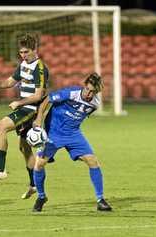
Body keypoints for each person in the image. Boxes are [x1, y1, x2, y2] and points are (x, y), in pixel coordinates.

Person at [0, 33, 49, 199]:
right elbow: (9, 82)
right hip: (24, 107)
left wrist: (19, 103)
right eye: (21, 53)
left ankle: (0, 170)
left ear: (34, 49)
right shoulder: (23, 65)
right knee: (25, 148)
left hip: (31, 109)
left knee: (0, 127)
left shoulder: (40, 68)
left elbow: (39, 95)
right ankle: (34, 185)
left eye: (26, 52)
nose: (23, 55)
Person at [31, 72, 112, 212]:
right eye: (87, 89)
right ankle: (41, 196)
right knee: (39, 164)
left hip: (73, 134)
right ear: (84, 86)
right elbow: (47, 100)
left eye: (93, 91)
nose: (89, 94)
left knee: (93, 161)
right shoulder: (70, 93)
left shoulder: (95, 104)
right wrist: (39, 118)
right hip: (53, 132)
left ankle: (100, 200)